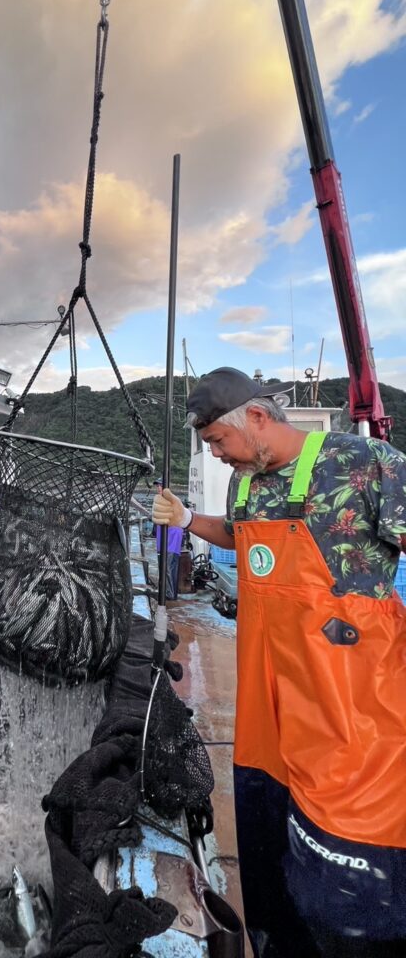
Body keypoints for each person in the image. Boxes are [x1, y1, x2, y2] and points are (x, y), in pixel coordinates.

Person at [151, 366, 406, 958]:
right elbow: (239, 535)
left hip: (353, 714)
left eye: (219, 440)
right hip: (267, 712)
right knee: (271, 855)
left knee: (350, 881)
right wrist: (186, 520)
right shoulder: (244, 483)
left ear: (258, 418)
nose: (216, 454)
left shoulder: (366, 463)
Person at [155, 520, 182, 599]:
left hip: (169, 539)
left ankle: (169, 593)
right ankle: (172, 593)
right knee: (171, 569)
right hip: (173, 538)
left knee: (166, 569)